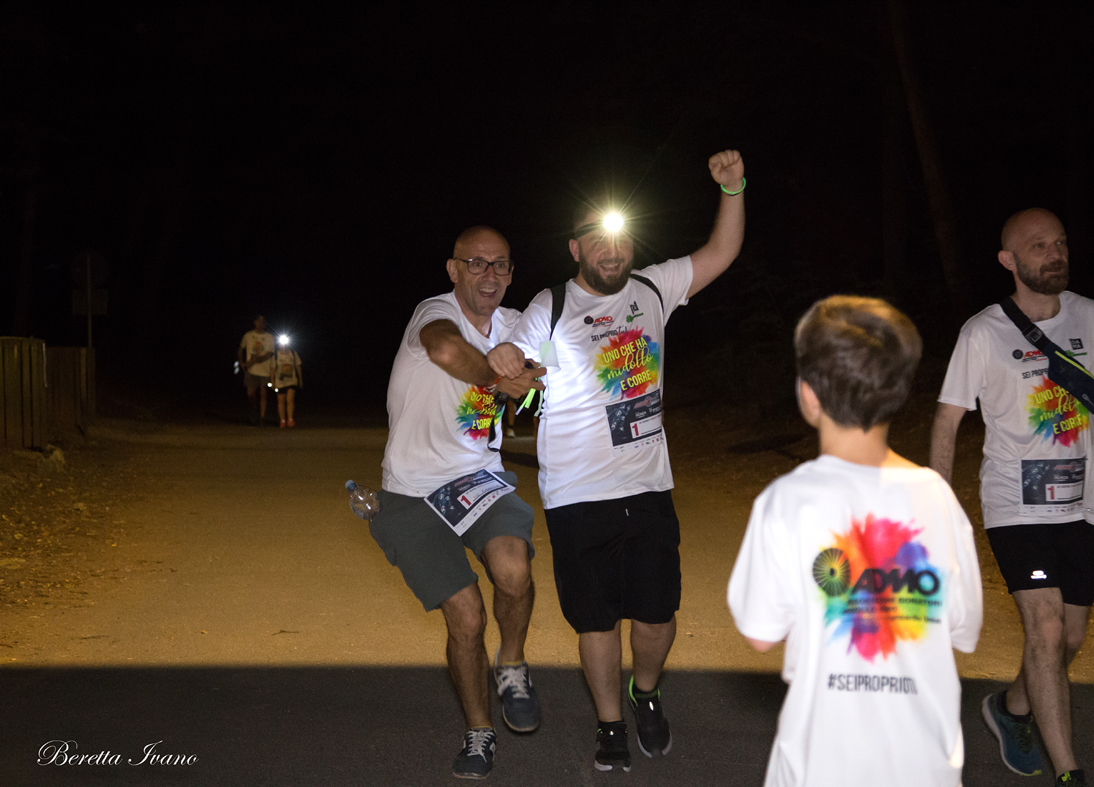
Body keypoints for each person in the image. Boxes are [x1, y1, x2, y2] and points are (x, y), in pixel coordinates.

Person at [487, 150, 746, 771]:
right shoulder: (550, 306)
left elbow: (721, 252)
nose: (612, 251)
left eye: (621, 238)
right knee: (596, 622)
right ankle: (609, 725)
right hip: (576, 494)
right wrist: (506, 363)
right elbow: (512, 364)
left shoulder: (654, 288)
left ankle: (645, 693)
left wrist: (733, 188)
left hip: (648, 486)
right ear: (576, 248)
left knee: (657, 615)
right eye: (598, 241)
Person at [930, 208, 1094, 786]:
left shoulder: (1092, 317)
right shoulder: (983, 333)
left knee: (1070, 638)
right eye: (1039, 246)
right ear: (1008, 260)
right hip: (1014, 505)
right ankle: (1069, 774)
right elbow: (947, 420)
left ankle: (1012, 707)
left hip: (1082, 505)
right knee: (1048, 628)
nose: (1055, 253)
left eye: (1060, 242)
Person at [727, 296, 983, 787]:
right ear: (899, 392)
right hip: (924, 769)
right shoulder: (938, 498)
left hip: (821, 765)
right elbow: (962, 628)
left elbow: (760, 632)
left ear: (808, 395)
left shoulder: (788, 501)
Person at [367, 226, 548, 780]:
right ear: (453, 270)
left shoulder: (518, 324)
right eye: (476, 263)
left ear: (512, 273)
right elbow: (446, 349)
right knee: (466, 616)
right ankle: (479, 730)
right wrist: (498, 376)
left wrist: (534, 376)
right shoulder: (434, 311)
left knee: (513, 570)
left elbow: (554, 360)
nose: (489, 275)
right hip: (411, 491)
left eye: (501, 265)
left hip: (476, 476)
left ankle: (511, 662)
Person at [238, 315, 274, 426]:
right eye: (259, 321)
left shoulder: (269, 337)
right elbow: (241, 348)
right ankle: (255, 406)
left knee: (263, 393)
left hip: (265, 370)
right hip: (252, 370)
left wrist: (255, 360)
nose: (261, 323)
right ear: (255, 322)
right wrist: (241, 362)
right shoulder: (248, 335)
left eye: (263, 321)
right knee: (250, 393)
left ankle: (262, 418)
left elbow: (269, 354)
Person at [271, 337, 302, 428]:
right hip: (280, 381)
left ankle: (290, 419)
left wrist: (300, 379)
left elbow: (298, 366)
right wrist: (272, 381)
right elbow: (273, 369)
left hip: (291, 380)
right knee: (281, 401)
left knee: (290, 399)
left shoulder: (293, 353)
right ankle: (282, 420)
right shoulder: (276, 355)